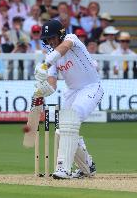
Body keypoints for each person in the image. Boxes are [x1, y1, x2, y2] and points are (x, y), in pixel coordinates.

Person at [34, 19, 104, 179]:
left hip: (91, 87)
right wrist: (40, 89)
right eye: (48, 39)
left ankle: (63, 169)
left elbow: (64, 47)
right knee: (61, 132)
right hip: (72, 92)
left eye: (53, 38)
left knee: (70, 121)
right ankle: (87, 167)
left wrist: (46, 62)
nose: (50, 42)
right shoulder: (51, 57)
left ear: (60, 34)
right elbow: (52, 85)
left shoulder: (72, 39)